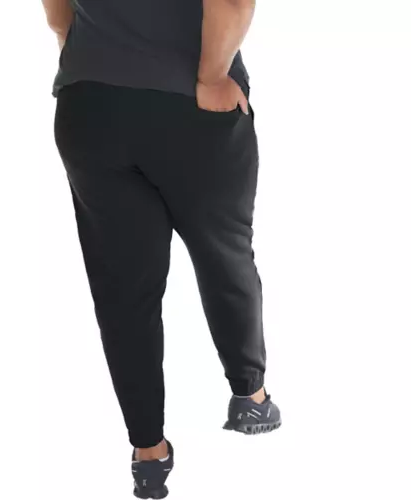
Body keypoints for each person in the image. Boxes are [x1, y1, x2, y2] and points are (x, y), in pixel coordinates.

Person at [42, 0, 281, 497]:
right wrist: (212, 77)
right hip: (189, 104)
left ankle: (148, 452)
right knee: (224, 253)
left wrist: (78, 50)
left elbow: (57, 13)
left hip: (90, 104)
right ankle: (250, 396)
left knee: (122, 290)